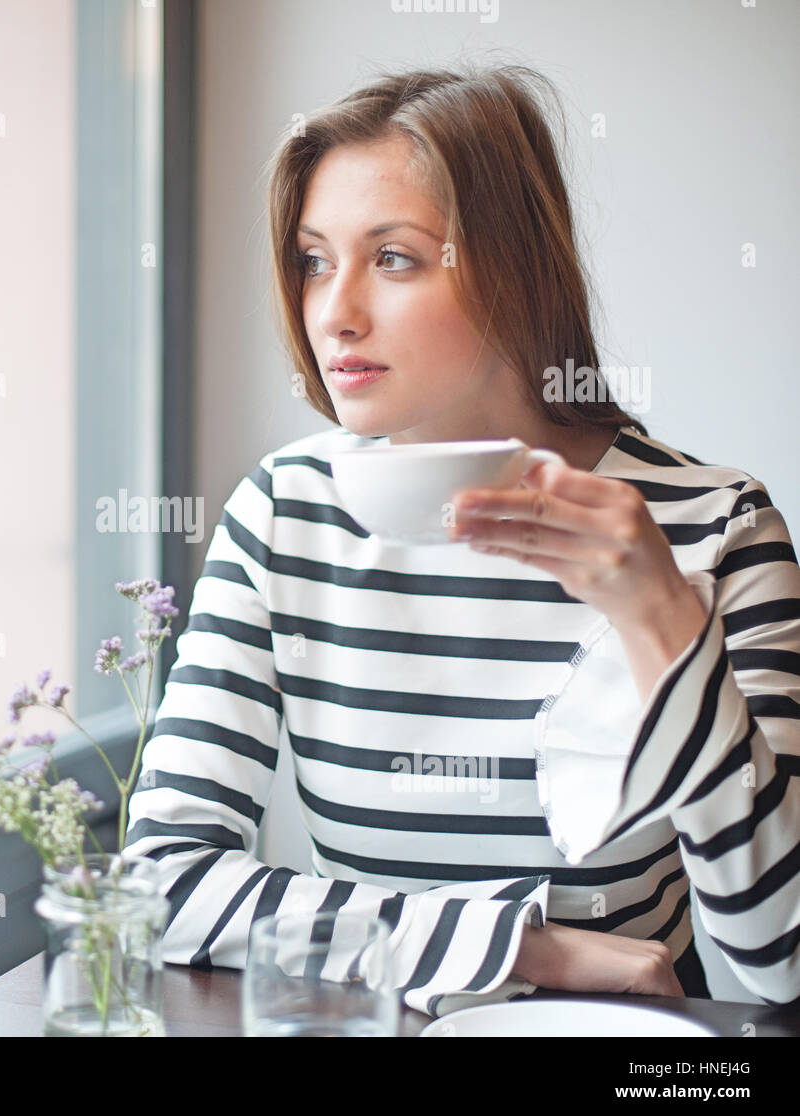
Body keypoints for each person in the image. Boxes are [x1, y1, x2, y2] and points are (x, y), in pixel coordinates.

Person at [122, 64, 800, 1018]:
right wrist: (519, 945)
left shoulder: (717, 525)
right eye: (315, 260)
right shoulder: (284, 514)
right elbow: (159, 882)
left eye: (394, 258)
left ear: (515, 269)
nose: (334, 311)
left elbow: (782, 959)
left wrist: (662, 619)